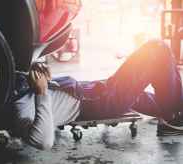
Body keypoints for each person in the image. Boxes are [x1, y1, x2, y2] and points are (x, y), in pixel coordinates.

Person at [11, 40, 183, 150]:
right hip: (98, 102)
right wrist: (41, 92)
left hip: (95, 91)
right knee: (158, 50)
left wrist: (44, 80)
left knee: (142, 94)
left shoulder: (18, 89)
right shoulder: (19, 110)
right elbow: (43, 141)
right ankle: (174, 118)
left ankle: (173, 111)